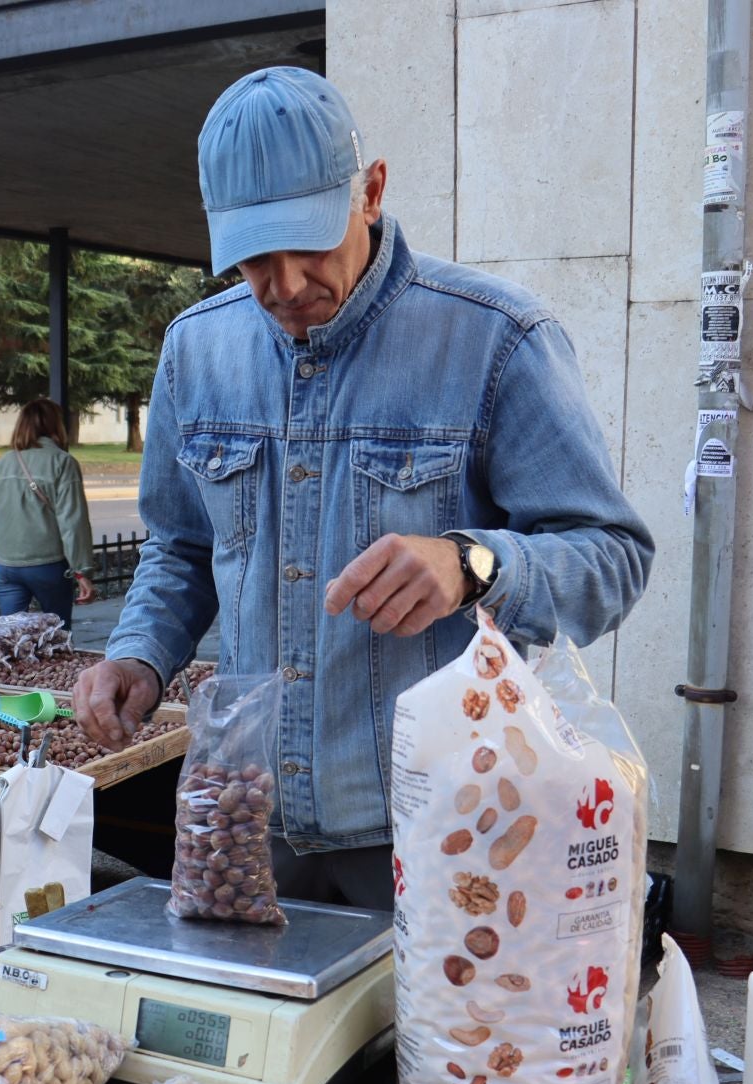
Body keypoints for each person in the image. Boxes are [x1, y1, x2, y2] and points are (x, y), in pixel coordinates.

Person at [73, 67, 653, 911]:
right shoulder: (195, 352)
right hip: (249, 823)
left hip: (446, 828)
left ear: (371, 191)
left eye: (307, 244)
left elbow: (613, 558)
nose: (284, 285)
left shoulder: (496, 341)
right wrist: (140, 652)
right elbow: (184, 549)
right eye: (251, 258)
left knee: (426, 1050)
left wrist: (472, 563)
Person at [0, 398, 96, 627]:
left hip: (6, 566)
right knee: (57, 637)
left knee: (9, 639)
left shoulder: (5, 462)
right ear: (56, 425)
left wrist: (12, 534)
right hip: (48, 565)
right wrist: (82, 572)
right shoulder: (62, 462)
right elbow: (73, 523)